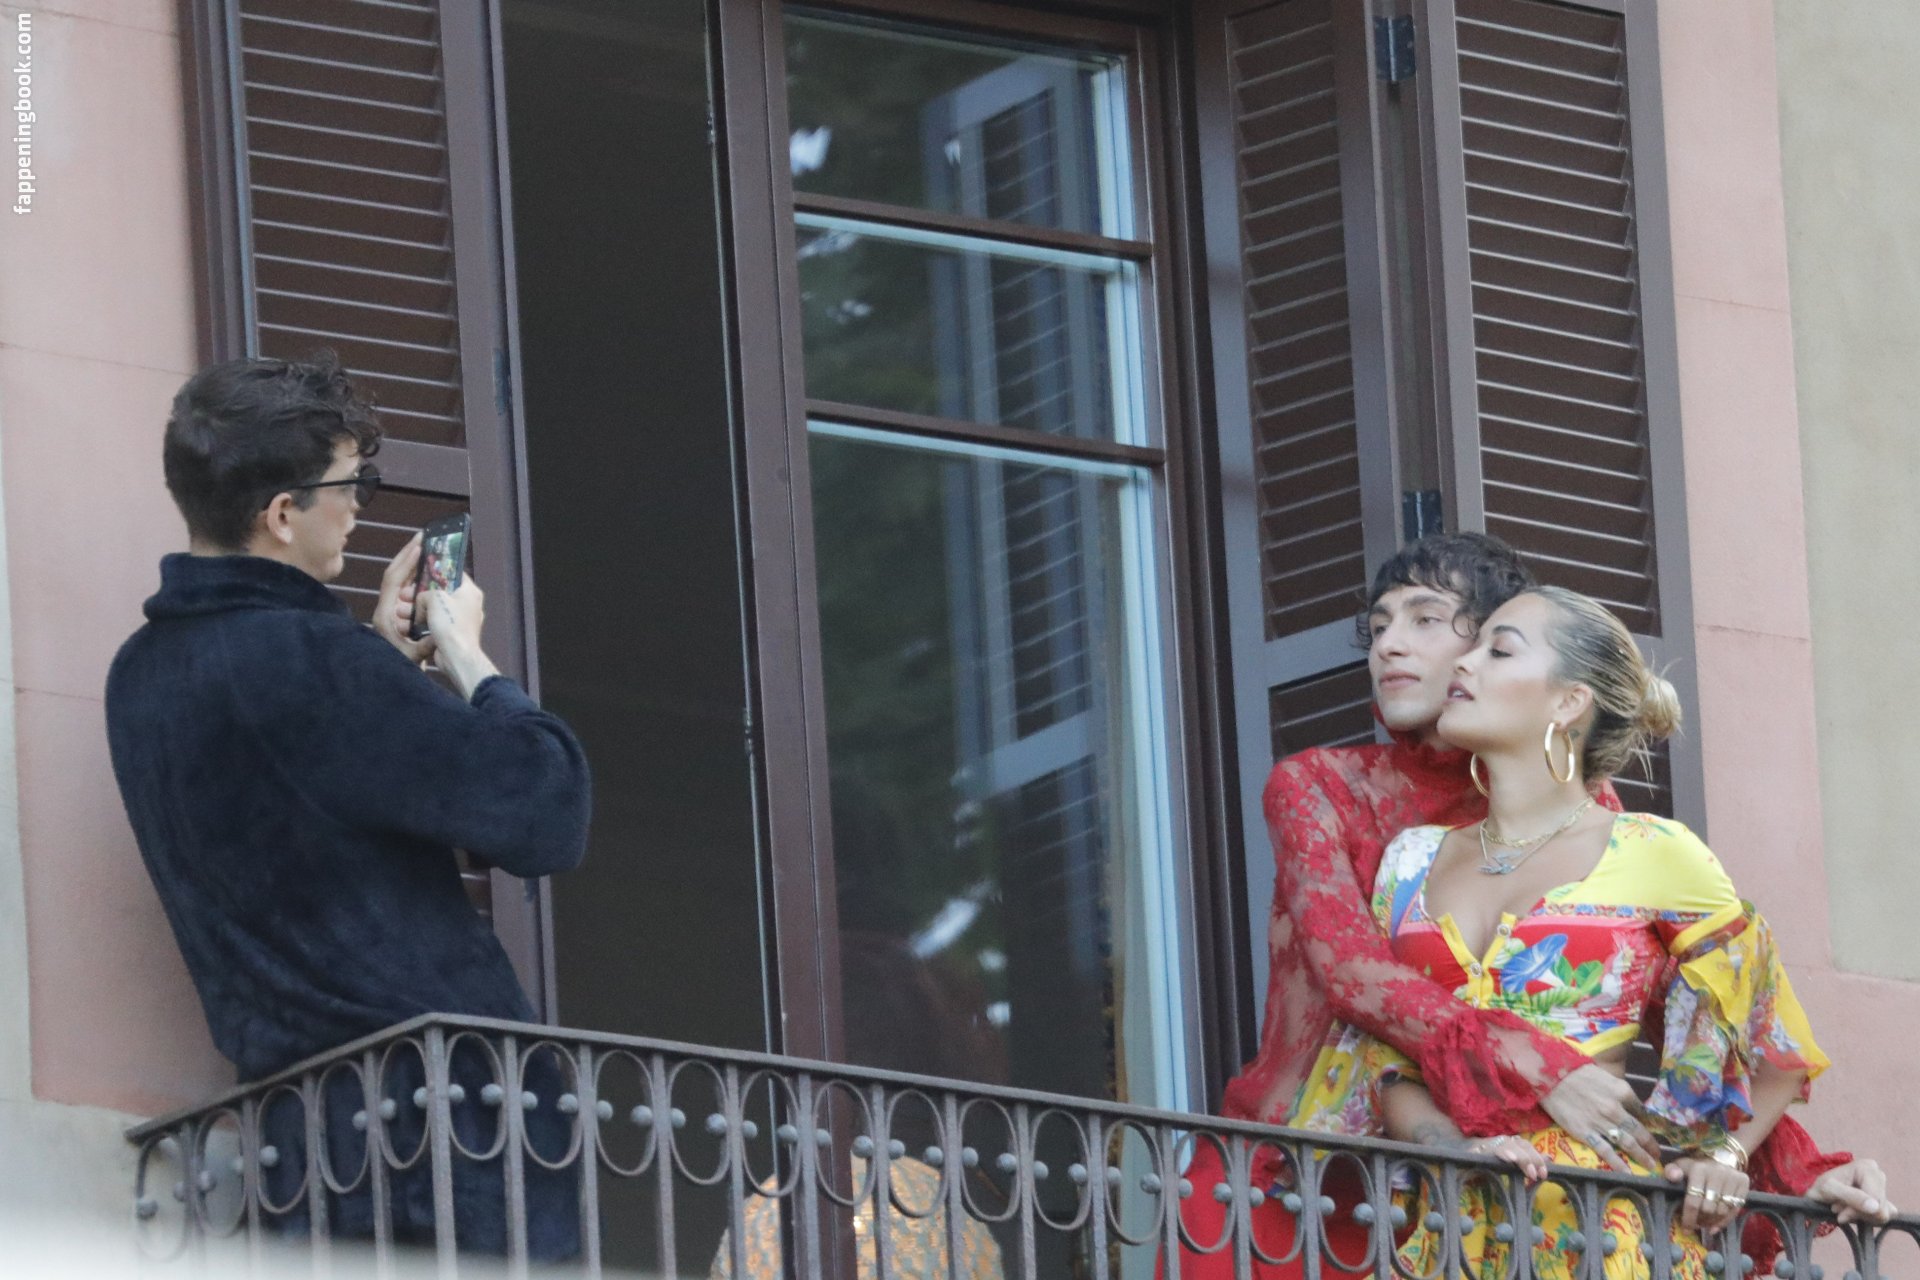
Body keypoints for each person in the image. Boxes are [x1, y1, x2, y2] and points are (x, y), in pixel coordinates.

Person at [1175, 534, 1887, 1279]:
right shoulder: (1390, 842)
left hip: (1591, 1224)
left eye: (1432, 622)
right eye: (1378, 626)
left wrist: (1753, 1162)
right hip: (1359, 1188)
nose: (1389, 645)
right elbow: (1361, 995)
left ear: (1566, 696)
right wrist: (1496, 1108)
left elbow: (1726, 1018)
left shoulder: (1629, 838)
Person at [105, 354, 592, 1258]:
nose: (361, 506)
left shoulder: (139, 673)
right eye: (351, 485)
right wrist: (465, 655)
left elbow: (293, 785)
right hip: (445, 1144)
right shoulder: (317, 663)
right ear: (282, 515)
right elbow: (545, 810)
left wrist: (377, 659)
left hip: (302, 1152)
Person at [1321, 585, 1838, 1276]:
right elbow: (1388, 1051)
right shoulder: (1409, 860)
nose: (1464, 663)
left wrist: (1723, 1154)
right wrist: (1453, 1146)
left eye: (1499, 650)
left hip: (1602, 1230)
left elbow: (1774, 1047)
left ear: (1569, 703)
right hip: (1449, 1228)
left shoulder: (1654, 850)